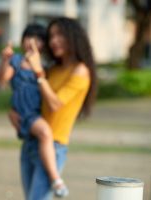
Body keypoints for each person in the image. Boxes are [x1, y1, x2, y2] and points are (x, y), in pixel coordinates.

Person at [9, 17, 96, 200]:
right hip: (30, 142)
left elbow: (55, 104)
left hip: (53, 146)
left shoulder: (80, 70)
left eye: (60, 35)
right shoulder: (54, 69)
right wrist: (13, 111)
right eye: (51, 36)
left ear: (73, 37)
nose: (54, 41)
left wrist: (39, 72)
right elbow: (28, 92)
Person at [0, 23, 68, 198]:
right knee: (45, 132)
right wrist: (5, 59)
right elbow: (2, 80)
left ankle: (54, 179)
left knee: (44, 133)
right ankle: (56, 179)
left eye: (38, 39)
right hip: (24, 111)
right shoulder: (16, 60)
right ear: (22, 40)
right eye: (29, 37)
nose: (32, 42)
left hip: (37, 112)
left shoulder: (45, 66)